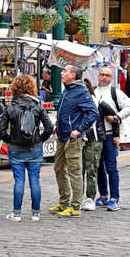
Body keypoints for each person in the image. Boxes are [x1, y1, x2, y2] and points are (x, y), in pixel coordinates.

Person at [0, 75, 53, 222]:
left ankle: (16, 213)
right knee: (35, 180)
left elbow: (0, 129)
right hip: (35, 147)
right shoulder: (38, 106)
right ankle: (35, 213)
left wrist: (8, 140)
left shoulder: (11, 107)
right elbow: (49, 127)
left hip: (16, 148)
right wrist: (40, 140)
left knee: (19, 180)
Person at [49, 65, 99, 218]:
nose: (62, 73)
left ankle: (75, 205)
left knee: (74, 172)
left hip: (74, 139)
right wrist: (58, 124)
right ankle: (64, 202)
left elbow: (93, 113)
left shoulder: (81, 92)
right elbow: (67, 112)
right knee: (59, 169)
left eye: (65, 71)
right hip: (63, 137)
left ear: (73, 75)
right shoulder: (67, 90)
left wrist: (79, 129)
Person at [94, 67, 130, 211]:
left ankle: (114, 198)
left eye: (107, 75)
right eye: (102, 74)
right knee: (98, 167)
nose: (104, 77)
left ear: (111, 78)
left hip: (110, 135)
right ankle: (103, 196)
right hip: (95, 136)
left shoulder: (115, 92)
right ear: (98, 76)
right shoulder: (92, 91)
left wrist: (117, 117)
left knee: (111, 168)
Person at [81, 79, 106, 211]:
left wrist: (116, 133)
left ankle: (90, 198)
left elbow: (112, 114)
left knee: (91, 168)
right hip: (80, 137)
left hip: (93, 138)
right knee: (79, 169)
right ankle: (77, 198)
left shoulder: (95, 101)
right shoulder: (75, 100)